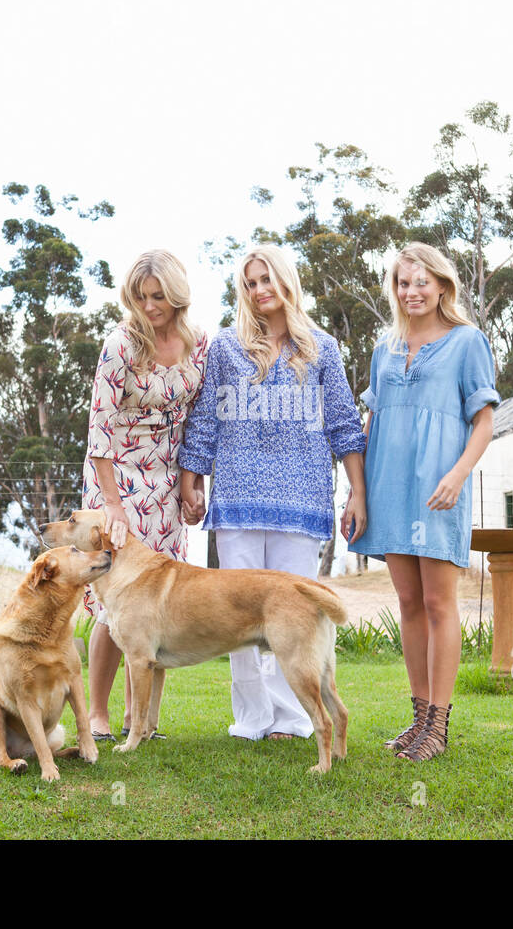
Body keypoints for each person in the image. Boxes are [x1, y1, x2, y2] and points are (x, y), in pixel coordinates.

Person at [177, 244, 367, 742]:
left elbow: (346, 425)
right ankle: (252, 718)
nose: (260, 290)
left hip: (302, 503)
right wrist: (190, 479)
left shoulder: (322, 347)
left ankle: (292, 718)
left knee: (294, 621)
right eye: (251, 283)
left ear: (286, 281)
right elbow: (204, 420)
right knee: (233, 617)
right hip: (236, 500)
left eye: (267, 279)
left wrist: (356, 494)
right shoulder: (224, 346)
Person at [349, 242, 499, 762]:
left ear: (441, 286)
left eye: (421, 282)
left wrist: (459, 474)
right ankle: (417, 720)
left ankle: (438, 724)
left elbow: (484, 420)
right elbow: (372, 421)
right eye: (402, 283)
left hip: (439, 489)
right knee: (409, 604)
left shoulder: (467, 342)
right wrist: (359, 491)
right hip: (389, 485)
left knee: (439, 603)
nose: (411, 292)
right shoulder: (384, 348)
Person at [82, 249, 209, 741]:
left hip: (165, 481)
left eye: (158, 296)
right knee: (114, 603)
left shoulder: (197, 345)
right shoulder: (120, 344)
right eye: (140, 296)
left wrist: (190, 482)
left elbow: (198, 420)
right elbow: (99, 427)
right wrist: (111, 503)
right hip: (117, 478)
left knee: (156, 605)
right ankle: (98, 714)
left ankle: (142, 719)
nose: (150, 306)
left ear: (176, 295)